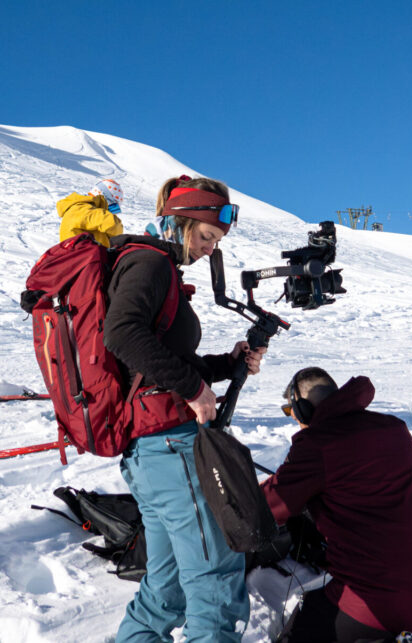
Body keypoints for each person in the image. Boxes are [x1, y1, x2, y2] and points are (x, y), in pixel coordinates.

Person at [103, 175, 262, 642]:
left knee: (167, 587)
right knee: (213, 582)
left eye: (218, 241)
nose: (211, 249)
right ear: (180, 221)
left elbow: (160, 362)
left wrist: (225, 364)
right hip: (169, 449)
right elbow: (122, 334)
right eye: (207, 236)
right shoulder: (149, 264)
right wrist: (194, 387)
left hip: (154, 454)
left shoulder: (153, 265)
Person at [261, 367, 412, 642]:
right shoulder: (393, 427)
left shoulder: (318, 444)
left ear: (302, 410)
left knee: (301, 629)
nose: (294, 419)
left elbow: (268, 507)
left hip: (384, 602)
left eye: (291, 412)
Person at [57, 177, 124, 246]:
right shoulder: (80, 209)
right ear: (105, 198)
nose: (112, 212)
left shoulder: (87, 211)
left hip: (86, 254)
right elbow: (112, 224)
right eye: (114, 207)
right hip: (81, 254)